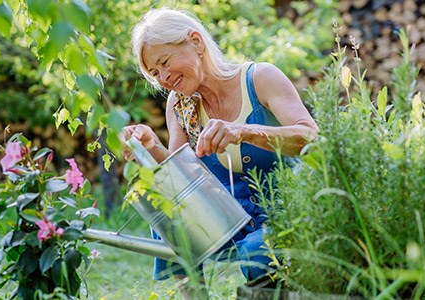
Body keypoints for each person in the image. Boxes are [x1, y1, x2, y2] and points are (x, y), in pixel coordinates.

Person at [122, 7, 319, 299]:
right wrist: (151, 148)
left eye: (164, 62)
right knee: (164, 198)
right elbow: (183, 178)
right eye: (154, 72)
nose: (163, 77)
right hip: (228, 219)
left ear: (196, 42)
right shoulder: (180, 104)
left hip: (285, 213)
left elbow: (312, 136)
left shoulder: (259, 78)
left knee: (257, 250)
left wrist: (245, 131)